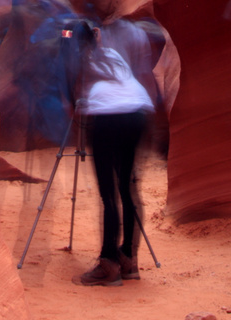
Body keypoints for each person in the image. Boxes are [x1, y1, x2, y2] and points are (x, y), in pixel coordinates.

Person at [72, 21, 154, 287]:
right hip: (137, 113)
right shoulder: (112, 55)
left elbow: (73, 97)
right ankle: (128, 259)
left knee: (108, 195)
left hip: (109, 118)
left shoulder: (80, 60)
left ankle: (108, 265)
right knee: (128, 189)